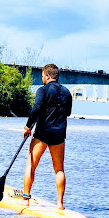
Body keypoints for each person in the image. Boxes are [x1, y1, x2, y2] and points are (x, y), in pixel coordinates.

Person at [22, 64, 73, 210]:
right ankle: (60, 204)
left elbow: (36, 108)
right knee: (59, 169)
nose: (42, 79)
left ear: (48, 76)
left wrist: (27, 127)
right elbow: (67, 113)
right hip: (59, 134)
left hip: (42, 133)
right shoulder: (67, 93)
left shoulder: (42, 90)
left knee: (31, 165)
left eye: (42, 76)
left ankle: (26, 200)